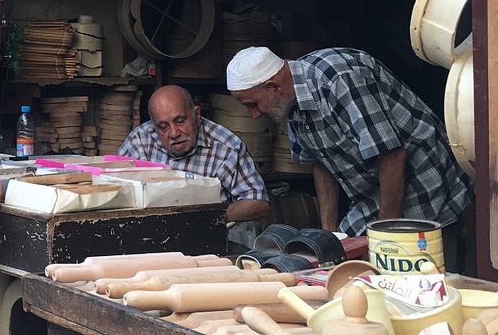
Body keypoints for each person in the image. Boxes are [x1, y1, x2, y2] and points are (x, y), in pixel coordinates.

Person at [226, 46, 473, 266]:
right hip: (372, 193)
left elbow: (392, 155)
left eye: (252, 104)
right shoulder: (289, 99)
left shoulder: (339, 79)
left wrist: (384, 235)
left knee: (419, 272)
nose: (255, 115)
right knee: (338, 260)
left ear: (274, 87)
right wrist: (329, 233)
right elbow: (320, 163)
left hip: (423, 178)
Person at [116, 85, 270, 222]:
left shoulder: (226, 147)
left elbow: (258, 202)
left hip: (208, 236)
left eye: (180, 120)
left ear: (196, 116)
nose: (174, 133)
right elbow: (112, 190)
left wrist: (209, 218)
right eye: (163, 126)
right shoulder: (139, 141)